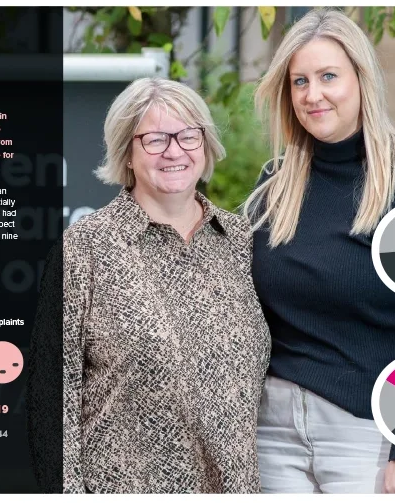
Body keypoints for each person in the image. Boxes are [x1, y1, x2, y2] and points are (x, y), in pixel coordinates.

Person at [243, 7, 395, 494]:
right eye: (300, 81)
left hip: (368, 433)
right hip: (272, 435)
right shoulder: (277, 182)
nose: (313, 95)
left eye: (329, 76)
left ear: (361, 78)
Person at [57, 77, 271, 493]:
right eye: (155, 139)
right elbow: (54, 392)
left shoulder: (242, 241)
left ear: (206, 145)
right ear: (128, 153)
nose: (175, 151)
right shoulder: (85, 246)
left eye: (189, 136)